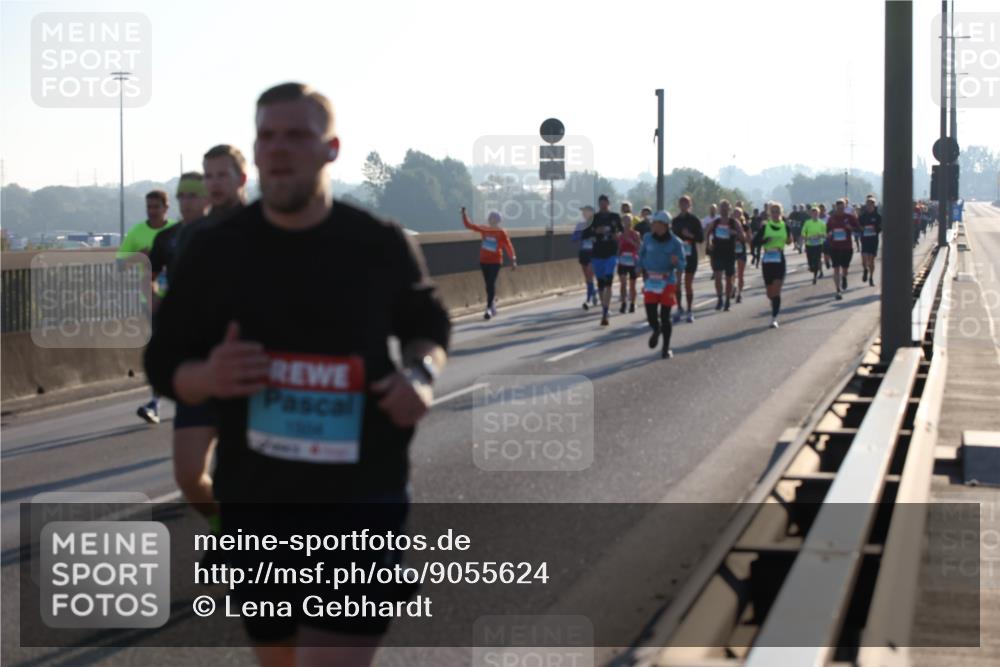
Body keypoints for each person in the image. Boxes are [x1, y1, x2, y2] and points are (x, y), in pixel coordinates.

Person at [145, 82, 451, 667]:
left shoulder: (377, 243)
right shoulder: (213, 251)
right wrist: (207, 376)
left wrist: (420, 373)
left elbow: (428, 324)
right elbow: (163, 364)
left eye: (297, 135)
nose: (279, 149)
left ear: (330, 148)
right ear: (254, 153)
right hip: (258, 501)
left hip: (361, 496)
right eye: (267, 136)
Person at [118, 189, 179, 424]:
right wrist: (139, 257)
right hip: (151, 302)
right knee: (162, 350)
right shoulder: (137, 232)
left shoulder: (177, 232)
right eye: (149, 207)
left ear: (166, 208)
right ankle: (155, 404)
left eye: (156, 207)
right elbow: (120, 265)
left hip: (181, 300)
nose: (152, 211)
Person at [638, 210, 685, 359]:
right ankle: (656, 329)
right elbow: (641, 255)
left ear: (663, 225)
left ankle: (665, 348)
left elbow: (683, 264)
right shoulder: (647, 239)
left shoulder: (676, 242)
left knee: (665, 316)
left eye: (655, 223)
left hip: (667, 281)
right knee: (651, 314)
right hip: (651, 281)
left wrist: (677, 262)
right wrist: (639, 267)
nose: (652, 225)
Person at [462, 207, 516, 320]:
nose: (491, 221)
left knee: (491, 283)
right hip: (484, 261)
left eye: (493, 219)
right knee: (488, 285)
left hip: (496, 262)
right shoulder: (484, 229)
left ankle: (488, 309)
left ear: (498, 221)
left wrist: (513, 259)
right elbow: (469, 225)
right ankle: (492, 305)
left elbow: (508, 246)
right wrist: (464, 214)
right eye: (490, 218)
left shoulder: (501, 232)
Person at [581, 194, 624, 326]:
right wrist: (596, 231)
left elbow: (622, 232)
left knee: (608, 283)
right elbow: (585, 234)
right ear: (598, 204)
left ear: (608, 203)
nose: (603, 205)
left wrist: (614, 235)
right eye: (601, 203)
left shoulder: (615, 217)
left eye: (605, 202)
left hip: (611, 253)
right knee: (600, 283)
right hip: (597, 254)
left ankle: (605, 311)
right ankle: (604, 307)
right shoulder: (594, 218)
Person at [753, 202, 792, 328]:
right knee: (770, 293)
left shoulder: (785, 226)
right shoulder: (765, 227)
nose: (775, 214)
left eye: (777, 212)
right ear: (770, 213)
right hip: (767, 260)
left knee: (777, 289)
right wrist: (765, 240)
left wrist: (789, 240)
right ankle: (773, 303)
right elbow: (755, 242)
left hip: (779, 259)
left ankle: (774, 318)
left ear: (781, 213)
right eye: (773, 212)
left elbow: (789, 241)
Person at [705, 200, 746, 311]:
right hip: (717, 252)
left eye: (726, 207)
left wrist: (735, 233)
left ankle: (727, 300)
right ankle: (720, 299)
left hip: (729, 253)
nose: (724, 209)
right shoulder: (716, 222)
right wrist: (708, 243)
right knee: (717, 277)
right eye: (722, 207)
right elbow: (707, 231)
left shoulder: (734, 222)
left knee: (729, 279)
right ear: (719, 209)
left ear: (729, 209)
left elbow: (743, 237)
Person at [671, 194, 704, 323]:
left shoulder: (694, 220)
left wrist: (689, 235)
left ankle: (690, 310)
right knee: (677, 284)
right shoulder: (675, 221)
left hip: (691, 255)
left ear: (690, 205)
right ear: (679, 205)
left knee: (688, 284)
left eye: (686, 203)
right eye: (682, 203)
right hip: (678, 255)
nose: (684, 206)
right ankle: (679, 307)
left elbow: (701, 238)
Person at [826, 198, 859, 300]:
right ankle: (837, 290)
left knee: (845, 267)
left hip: (846, 247)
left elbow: (858, 228)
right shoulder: (832, 218)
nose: (840, 209)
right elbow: (827, 231)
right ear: (836, 207)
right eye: (838, 208)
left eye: (842, 208)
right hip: (834, 247)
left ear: (845, 207)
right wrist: (829, 234)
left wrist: (850, 228)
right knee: (836, 268)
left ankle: (844, 277)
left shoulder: (849, 217)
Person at [571, 205, 598, 309]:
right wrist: (580, 235)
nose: (583, 214)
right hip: (583, 252)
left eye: (585, 212)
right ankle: (593, 292)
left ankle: (588, 298)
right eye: (583, 212)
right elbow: (573, 238)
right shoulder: (580, 225)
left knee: (590, 275)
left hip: (593, 252)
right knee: (587, 277)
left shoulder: (596, 225)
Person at [617, 217, 642, 313]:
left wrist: (631, 241)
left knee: (632, 285)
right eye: (625, 221)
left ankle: (632, 304)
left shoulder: (635, 234)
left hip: (632, 260)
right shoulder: (620, 235)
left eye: (628, 221)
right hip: (623, 260)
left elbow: (639, 247)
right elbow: (619, 248)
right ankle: (623, 303)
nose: (626, 223)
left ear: (631, 222)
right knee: (623, 283)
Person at [859, 197, 882, 286]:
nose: (869, 206)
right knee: (864, 259)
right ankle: (865, 270)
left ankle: (871, 277)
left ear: (874, 205)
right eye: (868, 204)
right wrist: (862, 228)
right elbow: (858, 225)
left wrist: (875, 229)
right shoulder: (863, 216)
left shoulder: (878, 216)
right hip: (864, 240)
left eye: (871, 204)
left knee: (871, 260)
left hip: (873, 240)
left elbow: (880, 227)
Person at [802, 206, 827, 284]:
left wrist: (820, 235)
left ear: (818, 214)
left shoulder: (822, 223)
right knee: (810, 260)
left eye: (816, 214)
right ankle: (812, 268)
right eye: (813, 214)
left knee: (817, 259)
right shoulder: (807, 223)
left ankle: (815, 276)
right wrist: (806, 237)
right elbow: (803, 232)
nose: (815, 215)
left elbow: (825, 234)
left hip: (818, 244)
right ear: (811, 214)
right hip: (809, 244)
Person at [732, 207, 751, 303]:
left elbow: (749, 239)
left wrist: (740, 235)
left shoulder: (745, 227)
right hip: (731, 251)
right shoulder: (730, 225)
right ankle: (733, 286)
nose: (736, 215)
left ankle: (739, 293)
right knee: (731, 273)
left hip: (741, 251)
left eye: (738, 214)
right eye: (735, 213)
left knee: (740, 274)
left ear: (741, 215)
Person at [818, 203, 832, 270]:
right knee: (822, 252)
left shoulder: (828, 217)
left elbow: (831, 227)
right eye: (820, 210)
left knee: (827, 252)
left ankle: (827, 261)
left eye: (823, 209)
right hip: (818, 238)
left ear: (825, 210)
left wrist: (830, 233)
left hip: (827, 237)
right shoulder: (816, 219)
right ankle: (826, 261)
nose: (821, 211)